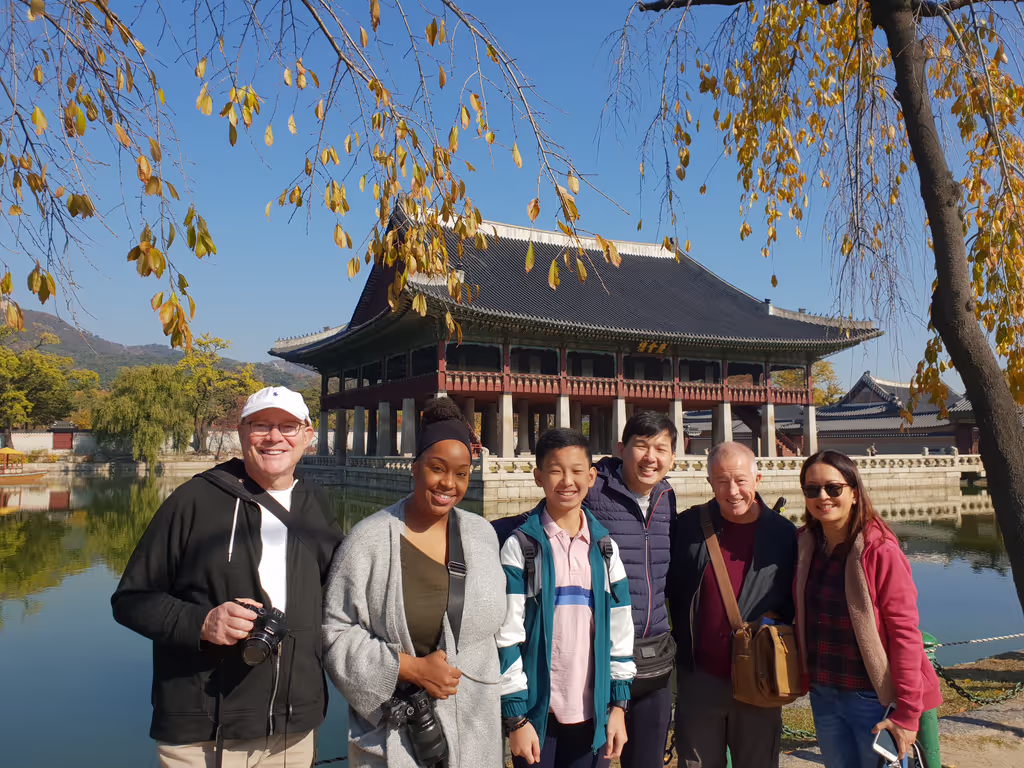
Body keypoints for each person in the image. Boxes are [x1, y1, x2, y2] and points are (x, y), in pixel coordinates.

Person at [111, 386, 344, 768]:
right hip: (204, 733)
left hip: (293, 731)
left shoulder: (314, 502)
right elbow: (131, 599)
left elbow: (343, 586)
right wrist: (202, 622)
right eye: (261, 425)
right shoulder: (193, 500)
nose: (274, 437)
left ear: (308, 435)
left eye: (287, 426)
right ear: (241, 432)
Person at [322, 398, 506, 768]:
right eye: (437, 468)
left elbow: (494, 634)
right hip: (399, 736)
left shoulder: (481, 534)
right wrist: (408, 667)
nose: (448, 483)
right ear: (414, 467)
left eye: (461, 474)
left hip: (477, 730)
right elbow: (334, 631)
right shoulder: (369, 539)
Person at [498, 428, 636, 768]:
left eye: (576, 471)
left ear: (591, 477)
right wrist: (516, 718)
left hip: (593, 713)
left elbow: (620, 632)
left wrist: (618, 706)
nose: (567, 481)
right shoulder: (522, 547)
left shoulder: (605, 548)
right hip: (537, 715)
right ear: (538, 477)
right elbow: (506, 636)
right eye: (556, 471)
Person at [795, 450, 942, 767]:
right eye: (812, 489)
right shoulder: (806, 544)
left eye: (833, 488)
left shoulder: (879, 549)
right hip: (824, 691)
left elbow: (904, 633)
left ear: (853, 492)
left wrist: (908, 712)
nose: (823, 497)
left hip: (873, 696)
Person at [668, 441, 797, 768]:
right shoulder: (687, 527)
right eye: (722, 481)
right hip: (700, 678)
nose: (733, 491)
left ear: (757, 479)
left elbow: (797, 600)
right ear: (710, 483)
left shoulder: (784, 534)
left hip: (760, 676)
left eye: (740, 480)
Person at [585, 411, 677, 768]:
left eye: (661, 449)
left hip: (654, 657)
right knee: (595, 758)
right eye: (641, 446)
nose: (651, 457)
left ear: (672, 457)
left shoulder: (666, 496)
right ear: (621, 449)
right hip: (599, 656)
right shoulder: (593, 489)